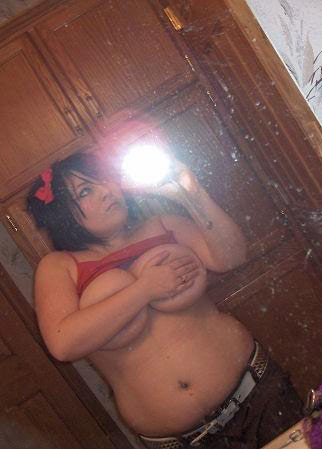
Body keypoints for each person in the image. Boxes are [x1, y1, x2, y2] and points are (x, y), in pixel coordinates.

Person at [27, 151, 303, 449]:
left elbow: (232, 256)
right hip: (185, 443)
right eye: (85, 191)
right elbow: (63, 343)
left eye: (105, 180)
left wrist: (192, 194)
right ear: (62, 215)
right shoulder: (59, 266)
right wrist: (145, 289)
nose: (106, 191)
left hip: (259, 394)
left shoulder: (162, 225)